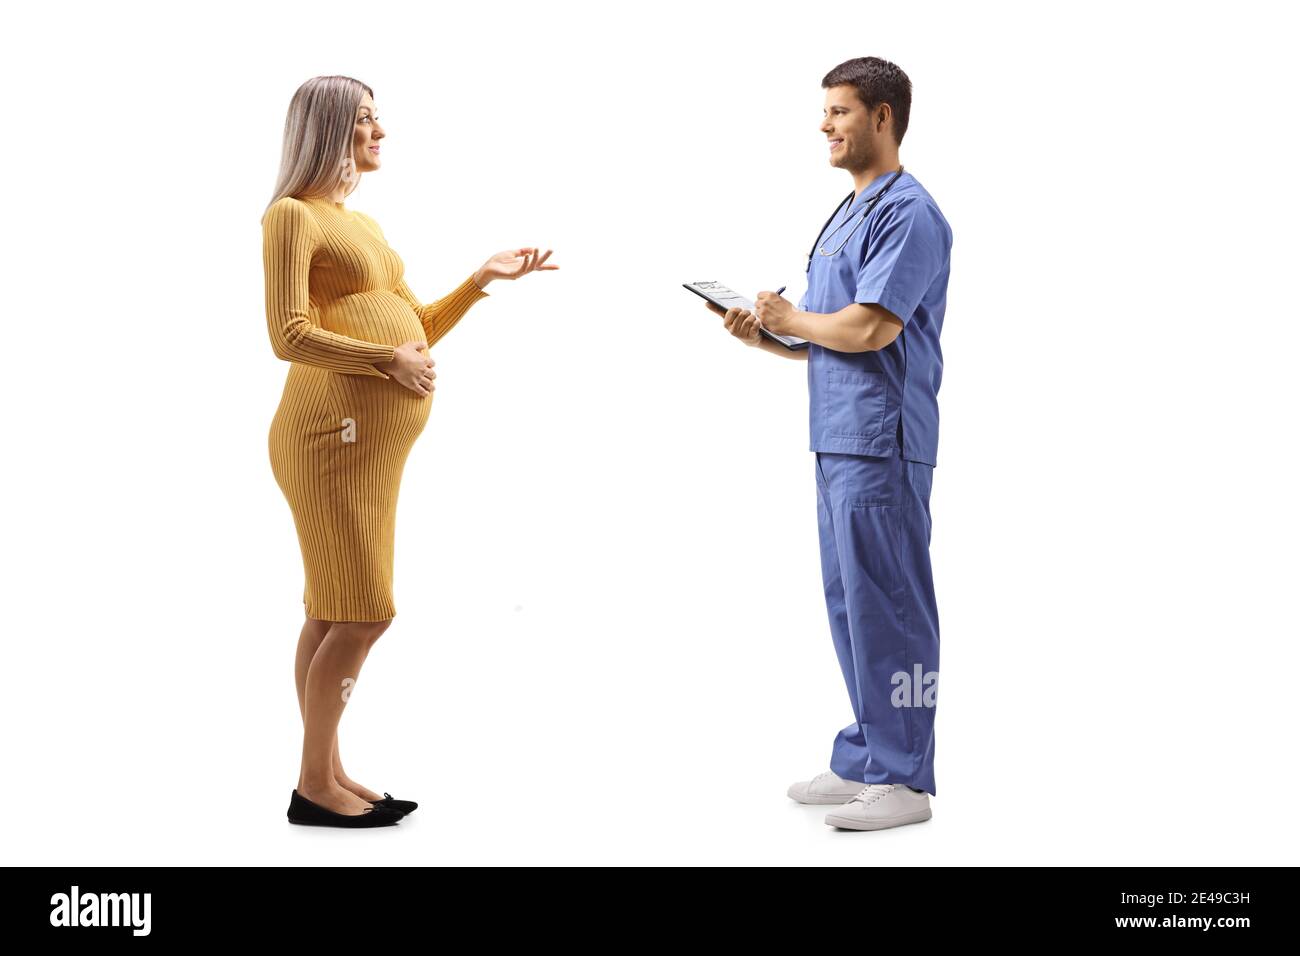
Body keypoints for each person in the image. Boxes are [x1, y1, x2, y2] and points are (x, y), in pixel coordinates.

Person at [261, 76, 558, 827]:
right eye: (364, 121)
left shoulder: (355, 222)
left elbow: (414, 323)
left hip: (367, 448)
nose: (379, 131)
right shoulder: (291, 217)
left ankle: (324, 770)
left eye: (376, 118)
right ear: (327, 130)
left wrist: (480, 281)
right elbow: (287, 334)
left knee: (334, 613)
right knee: (364, 613)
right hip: (331, 438)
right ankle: (312, 787)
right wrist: (385, 363)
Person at [705, 56, 952, 831]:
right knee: (852, 605)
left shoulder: (907, 212)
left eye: (840, 111)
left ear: (883, 117)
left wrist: (793, 321)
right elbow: (827, 335)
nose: (825, 125)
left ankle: (907, 778)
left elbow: (873, 325)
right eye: (826, 111)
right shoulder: (848, 210)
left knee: (894, 606)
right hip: (837, 436)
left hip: (884, 438)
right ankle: (870, 759)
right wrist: (763, 334)